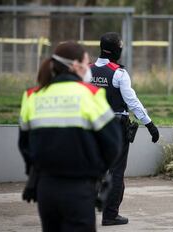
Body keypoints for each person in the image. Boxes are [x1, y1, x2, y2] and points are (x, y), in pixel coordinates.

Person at [18, 41, 122, 231]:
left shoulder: (32, 96)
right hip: (80, 188)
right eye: (86, 62)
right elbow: (113, 143)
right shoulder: (91, 94)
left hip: (45, 188)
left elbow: (24, 145)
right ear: (75, 65)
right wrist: (97, 171)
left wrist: (37, 171)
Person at [90, 32, 160, 226]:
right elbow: (132, 102)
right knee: (116, 172)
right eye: (120, 47)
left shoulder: (87, 71)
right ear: (116, 50)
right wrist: (150, 124)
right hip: (115, 127)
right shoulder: (119, 73)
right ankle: (110, 215)